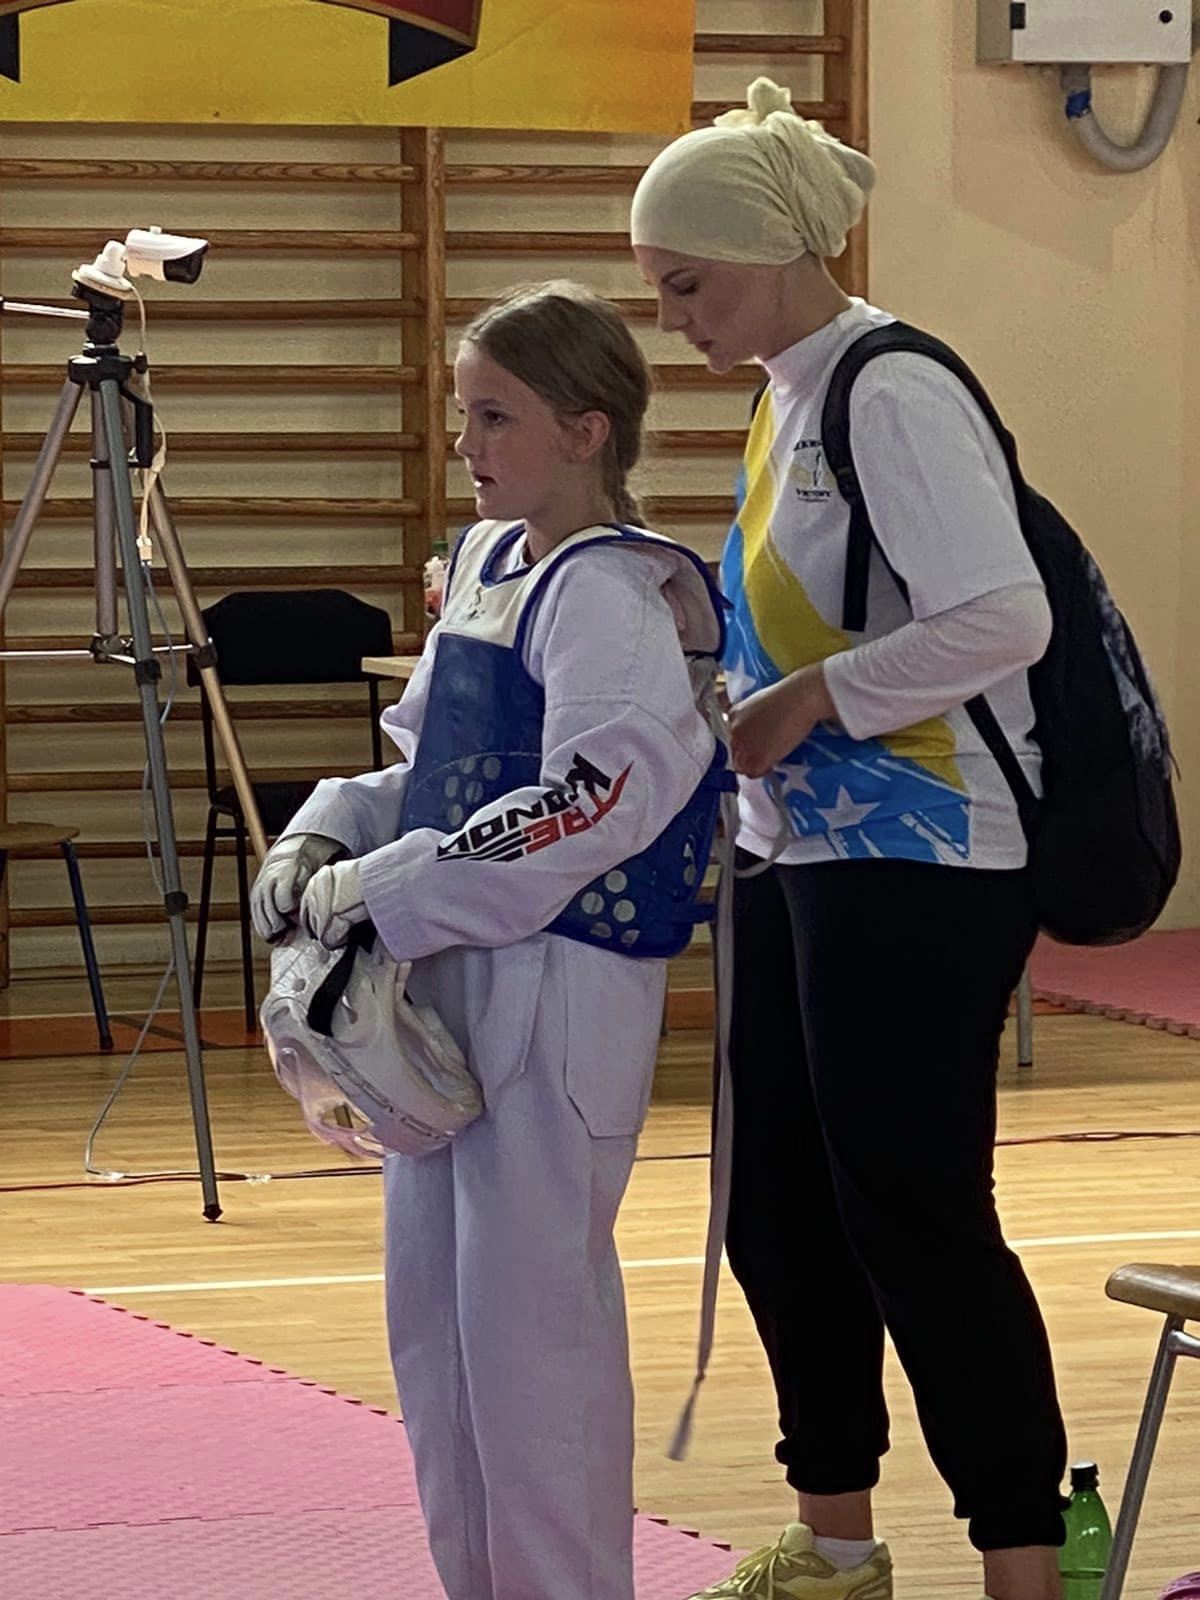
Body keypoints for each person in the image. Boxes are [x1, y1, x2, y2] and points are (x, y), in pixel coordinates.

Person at [630, 78, 1068, 1600]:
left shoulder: (891, 389)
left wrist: (810, 697)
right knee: (780, 1215)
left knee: (915, 1216)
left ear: (775, 251)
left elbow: (1004, 617)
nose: (673, 317)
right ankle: (835, 1546)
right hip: (800, 855)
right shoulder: (786, 396)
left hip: (924, 863)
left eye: (690, 283)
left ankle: (1022, 1561)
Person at [250, 280, 730, 1600]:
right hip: (448, 975)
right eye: (464, 414)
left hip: (562, 985)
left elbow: (595, 801)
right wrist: (328, 832)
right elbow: (430, 765)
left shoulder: (611, 589)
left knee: (534, 1349)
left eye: (495, 417)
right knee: (439, 1339)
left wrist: (390, 890)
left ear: (587, 430)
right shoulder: (486, 565)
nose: (466, 443)